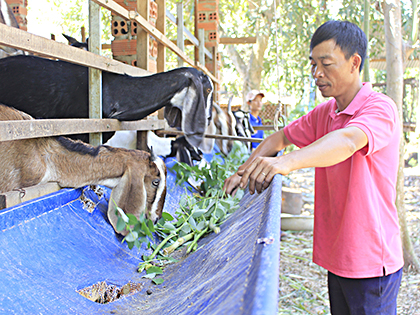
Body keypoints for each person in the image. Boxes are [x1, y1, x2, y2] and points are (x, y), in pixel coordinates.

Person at [224, 20, 403, 314]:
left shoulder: (379, 108)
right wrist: (244, 172)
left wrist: (285, 163)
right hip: (340, 257)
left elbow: (346, 141)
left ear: (354, 63)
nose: (316, 74)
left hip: (371, 262)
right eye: (313, 64)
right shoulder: (326, 112)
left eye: (326, 64)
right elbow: (279, 137)